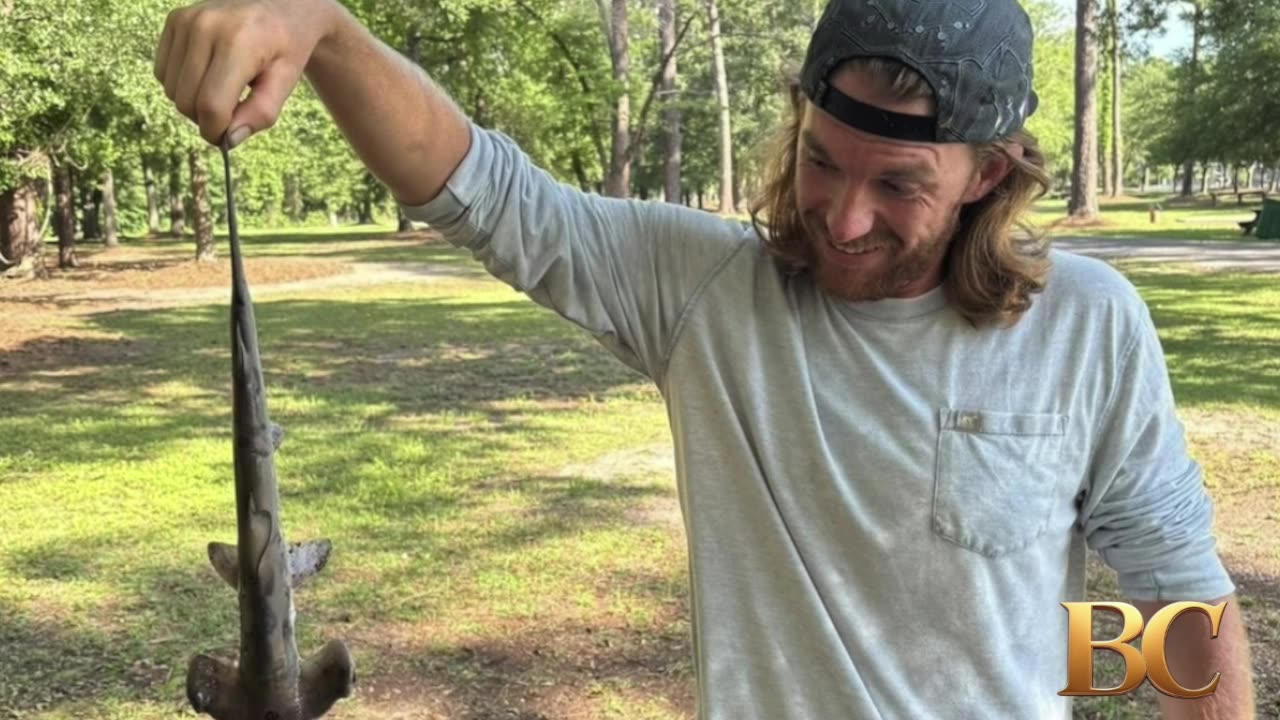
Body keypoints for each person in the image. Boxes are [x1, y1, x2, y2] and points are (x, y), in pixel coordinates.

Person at [155, 0, 1257, 717]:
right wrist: (326, 30)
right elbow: (487, 193)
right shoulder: (706, 293)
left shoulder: (1086, 326)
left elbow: (1180, 607)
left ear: (988, 175)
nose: (844, 217)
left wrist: (1029, 673)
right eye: (822, 162)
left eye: (899, 184)